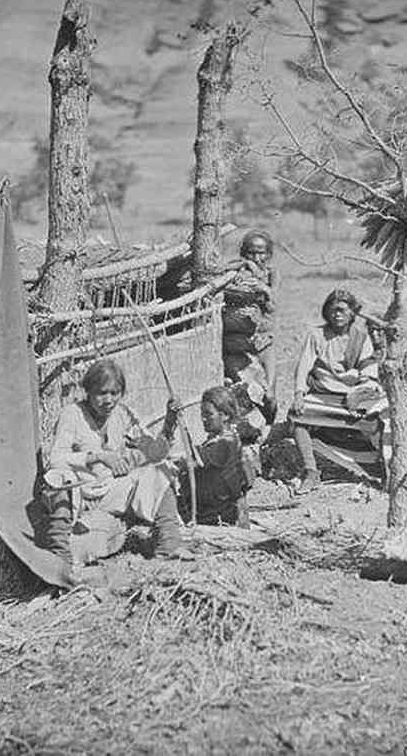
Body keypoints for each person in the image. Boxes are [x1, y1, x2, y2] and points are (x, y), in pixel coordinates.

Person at [42, 358, 187, 567]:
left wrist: (170, 422)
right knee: (59, 478)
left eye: (114, 393)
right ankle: (61, 555)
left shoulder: (123, 414)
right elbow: (56, 459)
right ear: (88, 391)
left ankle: (169, 547)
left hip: (113, 492)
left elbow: (155, 453)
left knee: (157, 472)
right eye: (102, 393)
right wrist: (99, 456)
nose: (109, 400)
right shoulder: (72, 415)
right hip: (83, 498)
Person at [289, 288, 383, 491]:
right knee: (297, 417)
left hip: (352, 394)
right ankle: (311, 471)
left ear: (352, 313)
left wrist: (361, 390)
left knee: (378, 417)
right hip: (323, 392)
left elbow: (368, 369)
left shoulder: (361, 337)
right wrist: (298, 394)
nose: (337, 315)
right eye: (332, 310)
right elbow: (304, 366)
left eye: (341, 310)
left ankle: (377, 465)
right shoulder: (317, 335)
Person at [222, 230, 279, 424]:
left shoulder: (271, 274)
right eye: (251, 253)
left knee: (269, 395)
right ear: (244, 253)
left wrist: (264, 289)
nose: (256, 257)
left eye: (261, 252)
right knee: (248, 392)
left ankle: (271, 428)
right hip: (239, 342)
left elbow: (272, 308)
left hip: (263, 342)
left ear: (268, 254)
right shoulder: (237, 272)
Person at [177, 386, 251, 528]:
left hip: (216, 515)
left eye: (209, 414)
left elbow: (193, 462)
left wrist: (178, 422)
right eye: (202, 414)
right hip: (213, 507)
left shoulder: (225, 442)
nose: (203, 419)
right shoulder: (222, 438)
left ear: (225, 415)